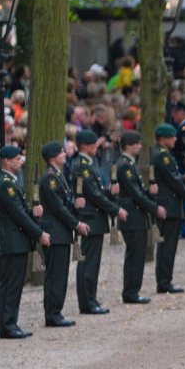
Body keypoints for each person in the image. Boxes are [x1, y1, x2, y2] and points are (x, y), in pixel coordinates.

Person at [72, 130, 127, 314]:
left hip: (94, 217)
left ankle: (90, 299)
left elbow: (96, 192)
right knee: (89, 262)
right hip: (90, 217)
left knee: (92, 262)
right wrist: (116, 209)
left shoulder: (88, 163)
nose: (97, 146)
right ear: (86, 146)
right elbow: (93, 195)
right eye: (94, 144)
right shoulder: (83, 166)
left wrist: (109, 192)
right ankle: (88, 302)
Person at [0, 145, 50, 338]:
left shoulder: (10, 182)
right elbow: (18, 216)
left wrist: (32, 213)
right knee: (11, 284)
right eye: (17, 158)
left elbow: (19, 213)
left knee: (11, 283)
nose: (21, 161)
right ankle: (8, 324)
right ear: (6, 161)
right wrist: (39, 234)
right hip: (12, 241)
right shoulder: (6, 184)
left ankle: (6, 323)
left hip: (14, 239)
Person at [38, 141, 89, 328]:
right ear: (52, 157)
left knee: (61, 274)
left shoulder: (59, 175)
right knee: (55, 275)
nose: (64, 154)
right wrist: (76, 224)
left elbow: (64, 203)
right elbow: (58, 208)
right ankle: (52, 313)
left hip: (61, 232)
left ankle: (56, 311)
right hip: (55, 231)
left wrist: (75, 206)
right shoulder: (49, 178)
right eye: (61, 152)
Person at [151, 123, 185, 293]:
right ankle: (164, 281)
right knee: (168, 245)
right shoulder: (162, 156)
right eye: (171, 136)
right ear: (163, 139)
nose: (175, 139)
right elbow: (173, 181)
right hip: (169, 204)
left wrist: (182, 177)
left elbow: (172, 178)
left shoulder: (162, 154)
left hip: (169, 203)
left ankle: (165, 280)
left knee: (168, 245)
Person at [116, 131, 163, 304]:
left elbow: (137, 191)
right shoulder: (125, 165)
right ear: (129, 145)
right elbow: (134, 194)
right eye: (137, 143)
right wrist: (154, 208)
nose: (140, 146)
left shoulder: (129, 163)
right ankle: (131, 291)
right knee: (135, 255)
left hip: (136, 215)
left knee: (136, 254)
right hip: (133, 215)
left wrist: (148, 194)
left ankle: (132, 289)